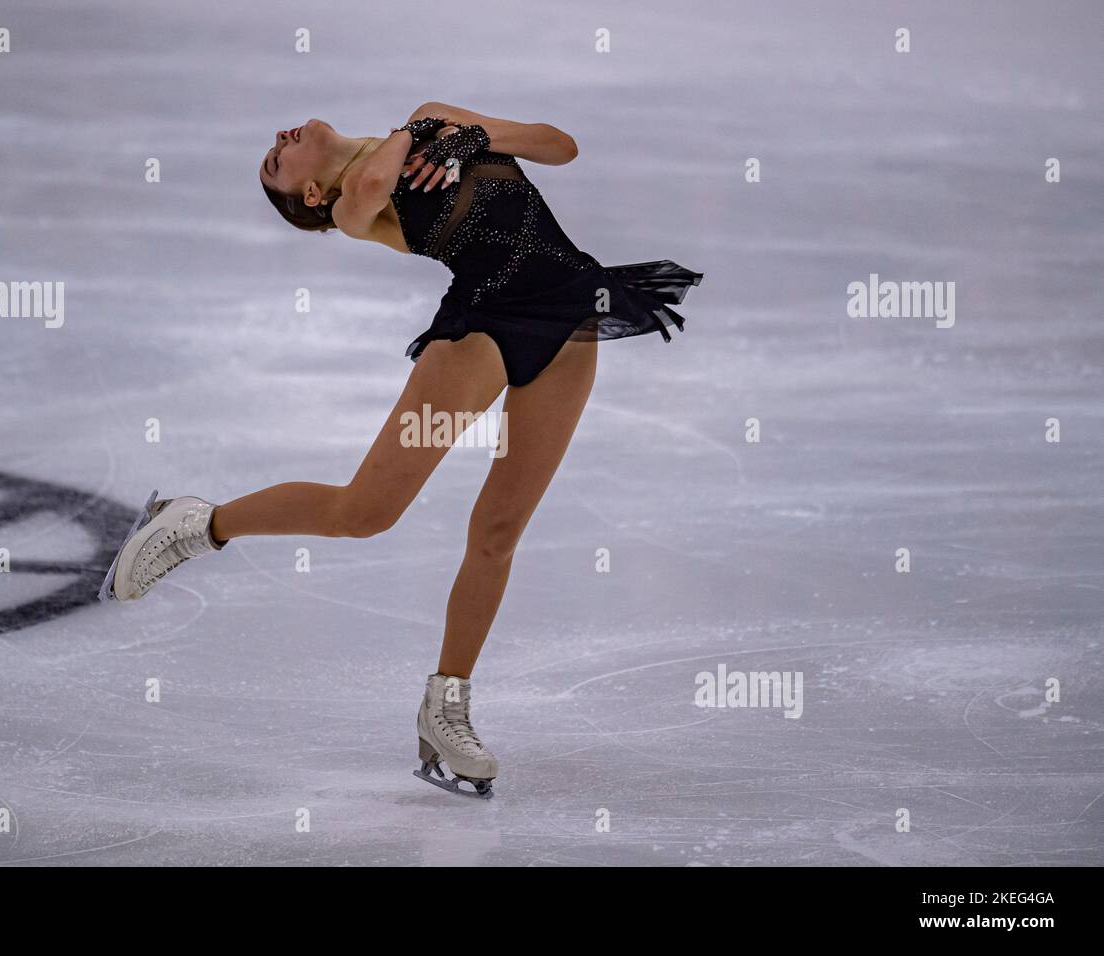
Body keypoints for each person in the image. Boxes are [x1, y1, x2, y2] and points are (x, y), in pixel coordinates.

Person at [100, 103, 702, 798]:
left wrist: (475, 135)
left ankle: (446, 708)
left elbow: (560, 145)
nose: (279, 139)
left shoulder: (435, 119)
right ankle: (196, 523)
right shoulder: (358, 209)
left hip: (571, 320)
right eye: (277, 165)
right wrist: (421, 136)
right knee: (366, 511)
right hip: (483, 331)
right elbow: (373, 184)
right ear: (313, 196)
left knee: (500, 530)